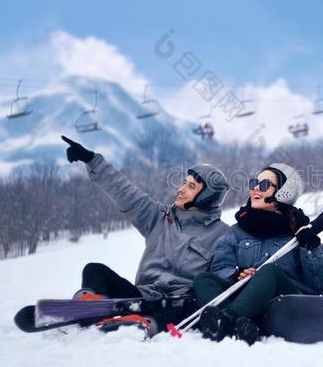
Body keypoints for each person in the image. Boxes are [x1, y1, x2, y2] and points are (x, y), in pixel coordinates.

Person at [61, 135, 230, 336]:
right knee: (94, 270)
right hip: (140, 297)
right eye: (184, 183)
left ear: (207, 196)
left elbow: (220, 279)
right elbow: (125, 193)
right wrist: (92, 160)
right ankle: (90, 307)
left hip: (178, 304)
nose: (181, 189)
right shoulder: (158, 217)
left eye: (191, 186)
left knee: (179, 310)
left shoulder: (222, 235)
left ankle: (145, 323)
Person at [192, 163, 323, 345]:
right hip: (246, 302)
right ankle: (241, 325)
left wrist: (310, 246)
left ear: (284, 192)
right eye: (254, 183)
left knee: (269, 271)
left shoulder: (297, 232)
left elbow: (319, 286)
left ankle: (227, 318)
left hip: (285, 306)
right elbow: (220, 267)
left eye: (264, 185)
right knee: (204, 279)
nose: (256, 189)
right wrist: (236, 274)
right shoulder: (235, 232)